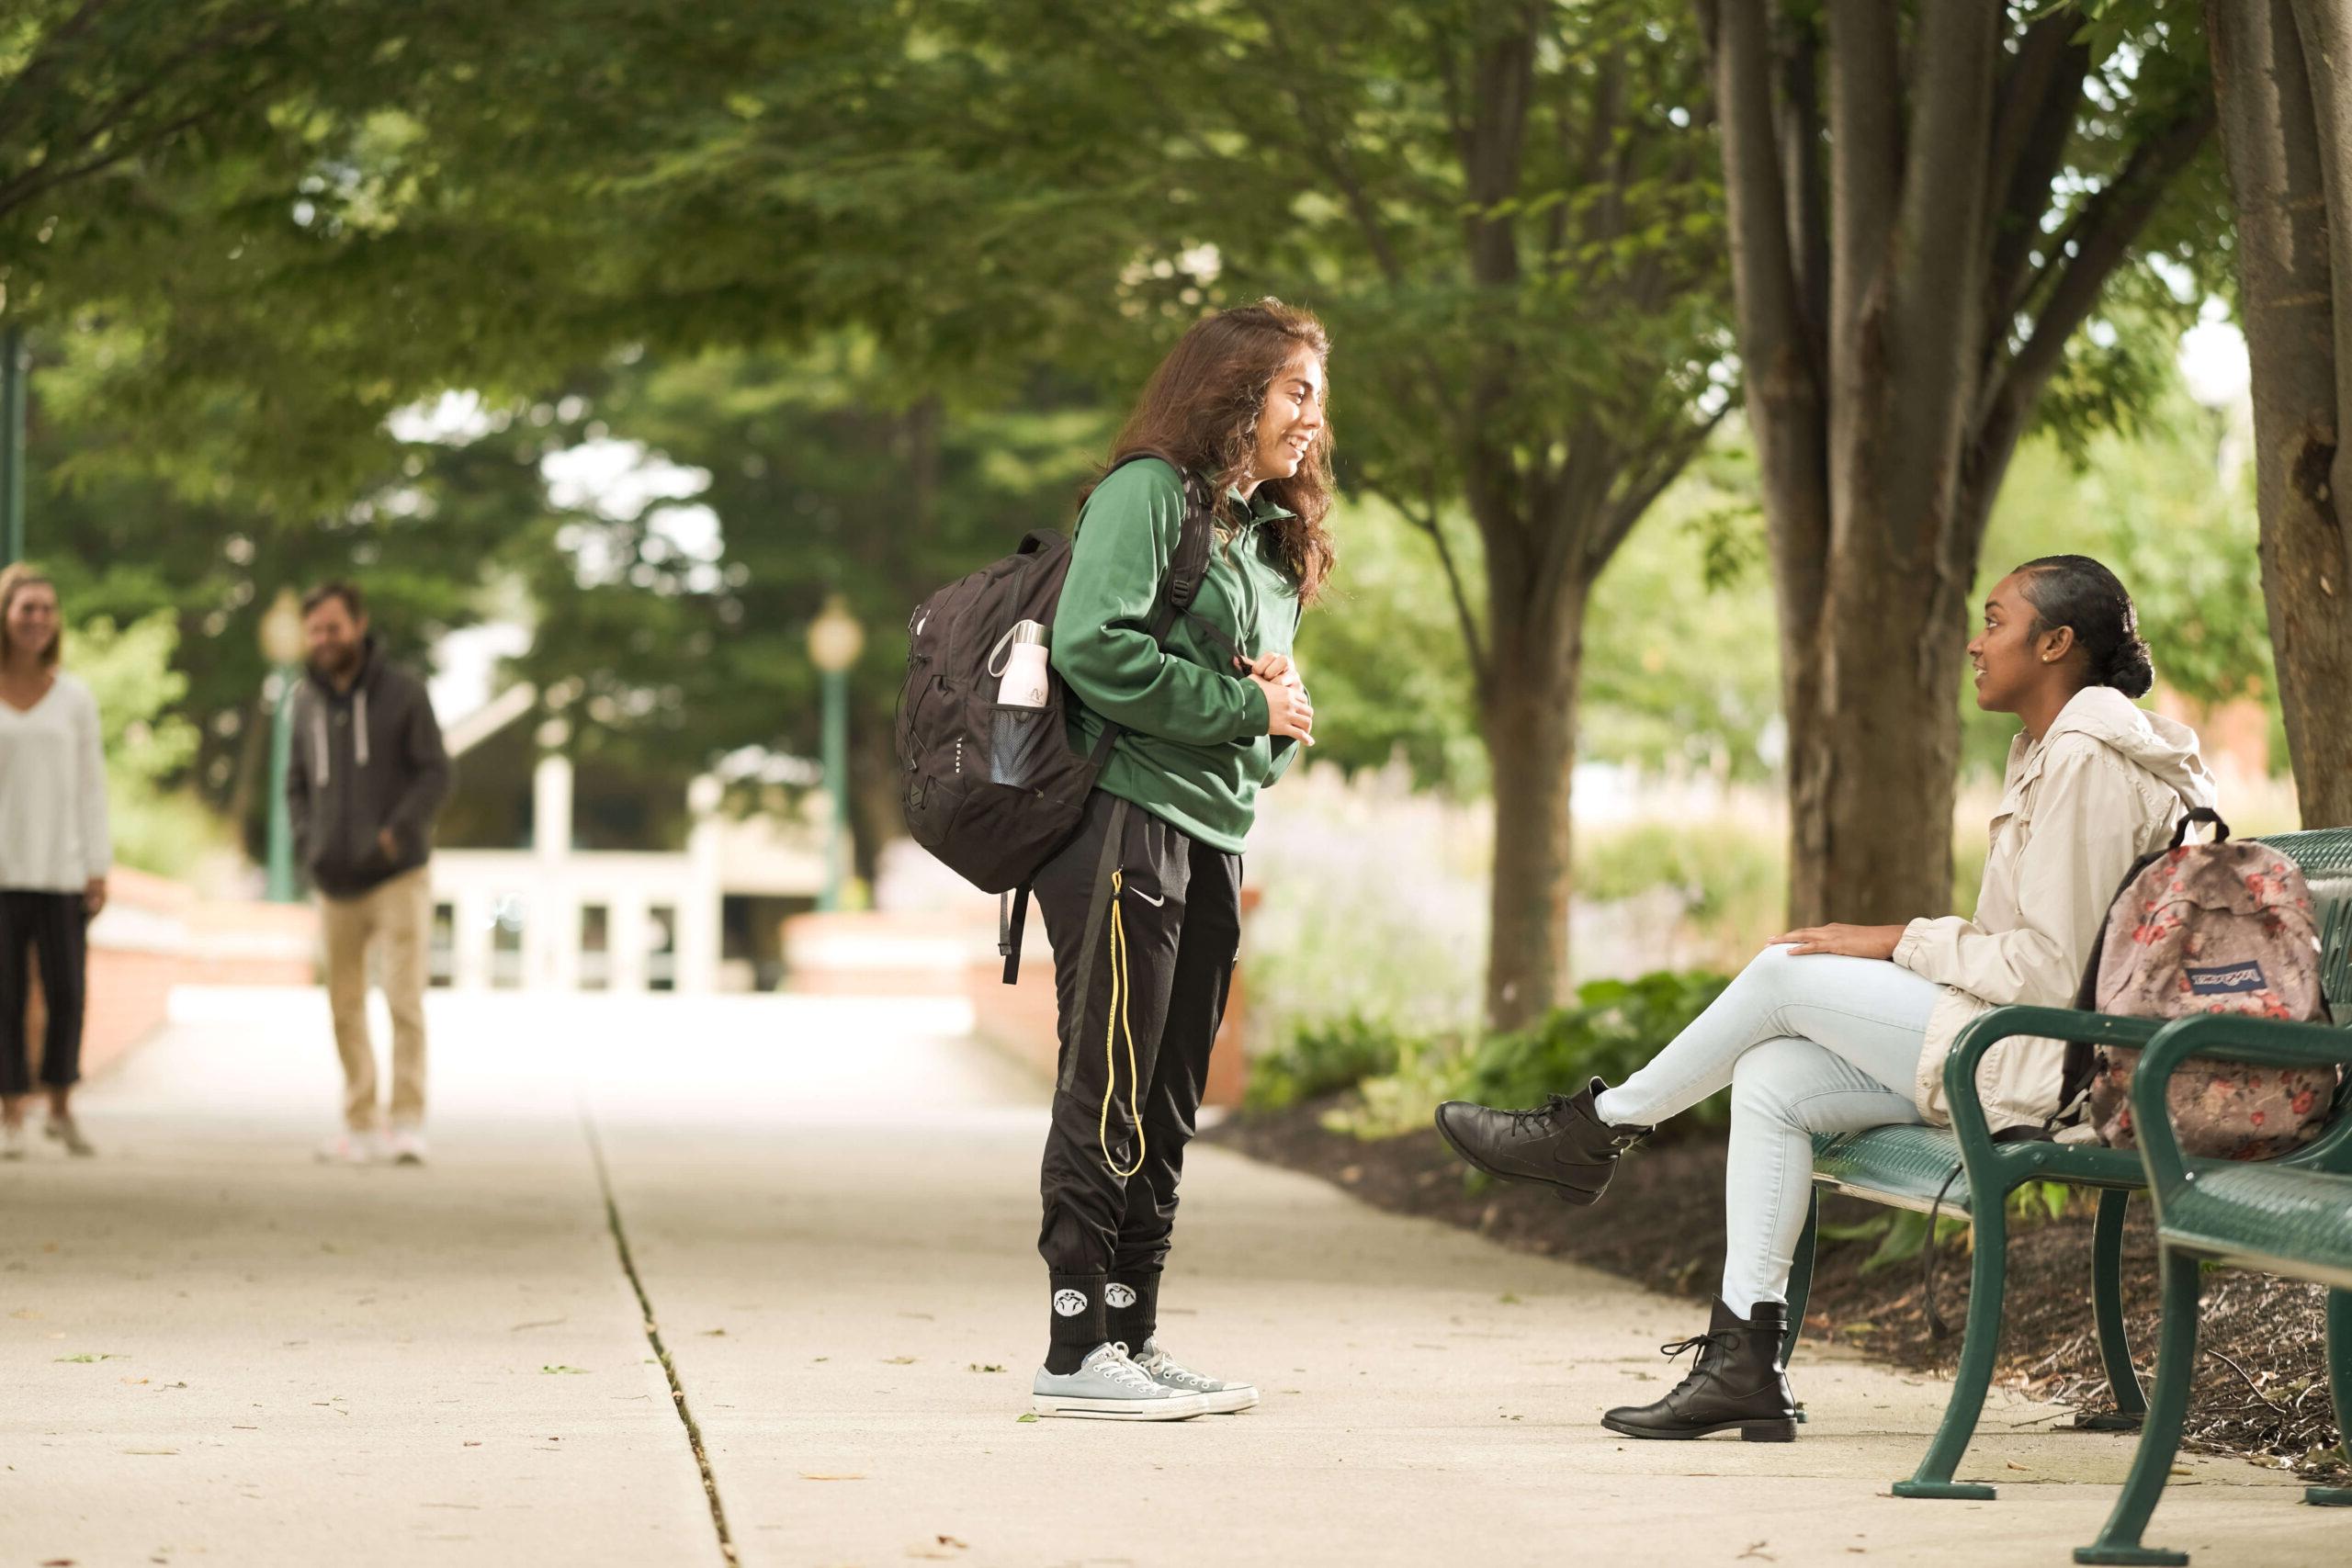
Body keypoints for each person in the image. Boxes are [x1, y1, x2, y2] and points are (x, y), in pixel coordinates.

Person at [1434, 555, 2216, 1442]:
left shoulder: (2088, 760)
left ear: (2055, 644)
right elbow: (2041, 950)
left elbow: (2052, 969)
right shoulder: (2052, 749)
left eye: (1994, 621)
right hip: (2025, 1043)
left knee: (1785, 973)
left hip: (2062, 1065)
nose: (1974, 639)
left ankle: (1596, 1129)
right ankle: (1744, 1364)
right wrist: (1911, 946)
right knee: (1771, 1076)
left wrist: (1897, 939)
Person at [1027, 300, 1331, 1420]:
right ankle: (1073, 1348)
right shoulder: (1146, 493)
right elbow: (1093, 644)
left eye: (1316, 398)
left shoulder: (1259, 536)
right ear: (1234, 388)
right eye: (1295, 392)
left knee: (1169, 1097)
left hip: (1211, 834)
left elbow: (1261, 713)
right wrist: (1237, 706)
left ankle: (1133, 1331)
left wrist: (1273, 721)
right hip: (1122, 821)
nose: (1311, 419)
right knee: (1107, 1076)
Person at [285, 581, 451, 1167]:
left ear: (359, 624)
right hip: (334, 879)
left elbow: (434, 772)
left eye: (334, 627)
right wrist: (311, 844)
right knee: (343, 1005)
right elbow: (297, 785)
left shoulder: (404, 692)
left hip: (398, 873)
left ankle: (407, 1122)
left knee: (404, 1000)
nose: (324, 640)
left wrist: (395, 833)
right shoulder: (303, 699)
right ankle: (360, 1122)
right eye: (315, 630)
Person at [0, 564, 109, 1160]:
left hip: (63, 870)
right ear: (5, 615)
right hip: (2, 871)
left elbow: (91, 786)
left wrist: (98, 862)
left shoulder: (76, 698)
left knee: (68, 991)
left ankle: (62, 1105)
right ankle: (11, 1111)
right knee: (5, 995)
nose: (37, 618)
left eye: (46, 608)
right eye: (25, 608)